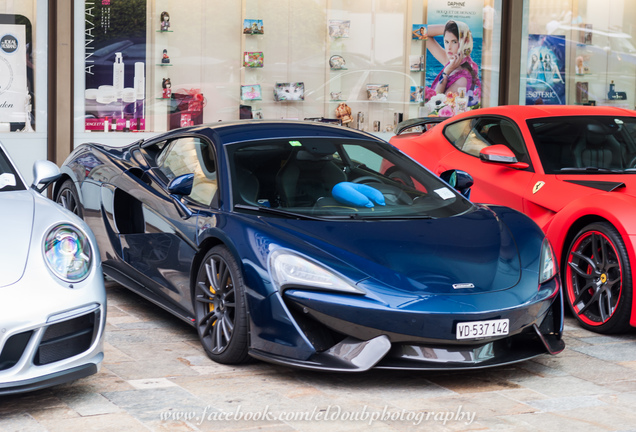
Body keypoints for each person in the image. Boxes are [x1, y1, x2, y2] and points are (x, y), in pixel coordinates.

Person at [426, 20, 481, 98]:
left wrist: (446, 71)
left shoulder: (463, 79)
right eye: (446, 41)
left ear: (463, 42)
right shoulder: (452, 61)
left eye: (454, 42)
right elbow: (419, 32)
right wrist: (449, 29)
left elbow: (437, 104)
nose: (449, 47)